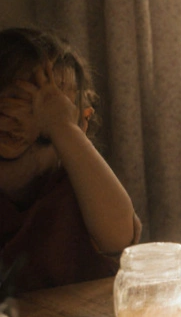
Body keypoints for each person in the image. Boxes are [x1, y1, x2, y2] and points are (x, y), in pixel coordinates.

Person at [1, 28, 141, 293]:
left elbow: (119, 237)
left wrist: (61, 128)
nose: (31, 115)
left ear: (82, 122)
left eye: (53, 104)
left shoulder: (81, 182)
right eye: (16, 98)